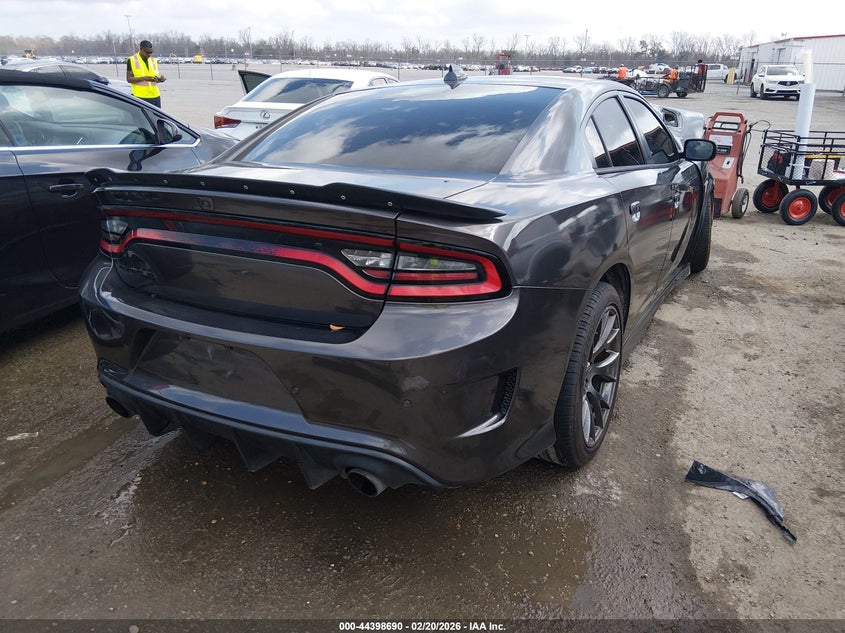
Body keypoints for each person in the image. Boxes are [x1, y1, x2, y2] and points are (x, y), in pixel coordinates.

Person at [126, 40, 166, 107]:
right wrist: (144, 78)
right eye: (147, 52)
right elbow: (129, 79)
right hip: (140, 96)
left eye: (151, 52)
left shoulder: (153, 61)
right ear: (141, 49)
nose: (149, 55)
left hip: (155, 95)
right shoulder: (132, 60)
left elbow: (153, 80)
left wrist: (159, 80)